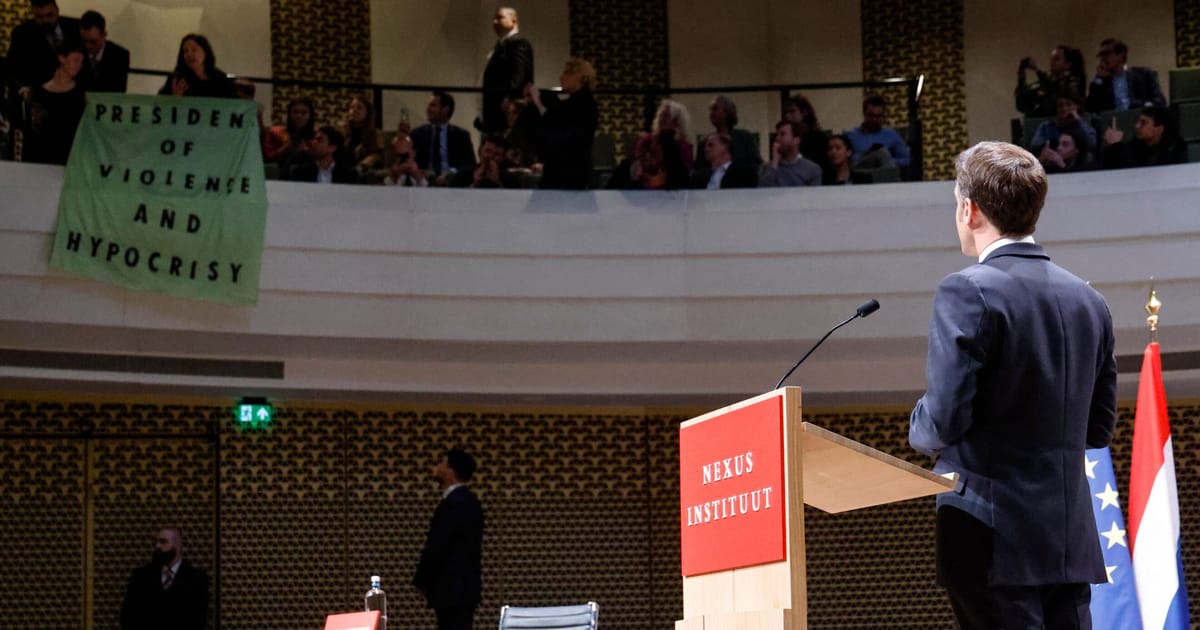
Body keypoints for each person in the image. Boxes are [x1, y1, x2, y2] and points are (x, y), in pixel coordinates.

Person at [909, 141, 1117, 629]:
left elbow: (942, 419)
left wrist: (916, 427)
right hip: (1067, 542)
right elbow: (1098, 429)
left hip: (990, 535)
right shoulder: (1090, 301)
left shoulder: (967, 290)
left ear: (970, 208)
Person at [414, 448, 485, 630]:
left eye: (442, 463)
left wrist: (422, 579)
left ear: (450, 472)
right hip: (464, 590)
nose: (437, 467)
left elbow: (438, 546)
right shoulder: (470, 502)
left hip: (452, 590)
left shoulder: (454, 504)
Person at [525, 57, 599, 190]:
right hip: (567, 171)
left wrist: (538, 103)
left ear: (579, 77)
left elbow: (555, 124)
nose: (561, 77)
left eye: (567, 73)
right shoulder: (580, 103)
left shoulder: (582, 104)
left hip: (569, 174)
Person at [119, 527, 210, 630]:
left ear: (178, 546)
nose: (157, 546)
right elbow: (128, 615)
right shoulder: (141, 576)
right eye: (156, 542)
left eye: (163, 542)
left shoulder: (196, 579)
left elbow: (198, 620)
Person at [5, 0, 82, 102]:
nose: (45, 20)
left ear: (57, 10)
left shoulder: (77, 27)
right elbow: (13, 69)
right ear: (33, 13)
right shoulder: (22, 33)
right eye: (39, 17)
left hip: (77, 93)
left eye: (49, 15)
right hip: (41, 96)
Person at [24, 43, 85, 165]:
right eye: (76, 60)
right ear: (62, 59)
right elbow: (32, 130)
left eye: (81, 62)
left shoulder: (81, 94)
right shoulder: (38, 93)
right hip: (39, 159)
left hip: (69, 159)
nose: (79, 65)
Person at [478, 7, 534, 133]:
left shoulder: (519, 43)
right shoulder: (500, 46)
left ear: (513, 21)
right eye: (494, 19)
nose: (495, 22)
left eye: (500, 17)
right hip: (495, 111)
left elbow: (520, 74)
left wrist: (511, 97)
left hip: (507, 111)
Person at [412, 91, 476, 185]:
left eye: (433, 105)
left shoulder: (461, 135)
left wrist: (451, 173)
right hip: (423, 182)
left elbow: (470, 164)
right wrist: (423, 172)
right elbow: (410, 161)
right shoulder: (417, 134)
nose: (428, 109)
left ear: (445, 109)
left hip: (452, 182)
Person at [1085, 38, 1166, 112]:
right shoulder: (1102, 81)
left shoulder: (1143, 74)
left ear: (1121, 55)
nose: (1103, 58)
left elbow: (1160, 101)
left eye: (1107, 53)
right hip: (1113, 123)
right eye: (1101, 55)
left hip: (1139, 119)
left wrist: (1144, 106)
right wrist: (1099, 79)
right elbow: (1090, 108)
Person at [1100, 105, 1186, 169]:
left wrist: (1117, 146)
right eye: (1138, 121)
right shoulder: (1135, 145)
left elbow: (1142, 174)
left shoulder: (1174, 148)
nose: (1137, 126)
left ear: (1159, 129)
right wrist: (1112, 147)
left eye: (1143, 123)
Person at [1015, 45, 1086, 117]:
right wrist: (1021, 77)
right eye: (1051, 59)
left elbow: (1053, 104)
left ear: (1067, 64)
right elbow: (1021, 104)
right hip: (1035, 124)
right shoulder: (1043, 84)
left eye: (1056, 59)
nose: (1052, 62)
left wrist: (1037, 71)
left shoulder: (1071, 85)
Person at [157, 34, 236, 99]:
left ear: (205, 52)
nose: (189, 54)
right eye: (185, 51)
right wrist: (174, 98)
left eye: (194, 50)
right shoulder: (178, 78)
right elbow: (159, 104)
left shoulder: (220, 78)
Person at [694, 95, 761, 170]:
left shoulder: (745, 138)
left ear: (726, 112)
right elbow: (699, 170)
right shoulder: (704, 142)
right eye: (710, 110)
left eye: (715, 109)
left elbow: (755, 165)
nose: (711, 113)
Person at [606, 130, 688, 190]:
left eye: (652, 152)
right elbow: (608, 195)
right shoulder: (625, 169)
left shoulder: (673, 170)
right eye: (644, 149)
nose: (648, 156)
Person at [844, 95, 910, 169]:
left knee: (882, 153)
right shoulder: (851, 136)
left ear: (884, 116)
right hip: (859, 174)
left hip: (885, 175)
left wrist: (886, 160)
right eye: (871, 115)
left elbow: (907, 160)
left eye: (878, 116)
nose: (874, 119)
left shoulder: (892, 135)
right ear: (864, 113)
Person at [76, 10, 128, 94]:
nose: (87, 46)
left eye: (93, 42)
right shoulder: (75, 54)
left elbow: (118, 92)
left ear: (104, 35)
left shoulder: (120, 56)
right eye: (84, 41)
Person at [263, 96, 317, 176]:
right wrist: (288, 147)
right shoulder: (275, 133)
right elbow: (267, 159)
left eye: (304, 113)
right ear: (289, 114)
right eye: (295, 112)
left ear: (310, 115)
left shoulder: (318, 136)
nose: (299, 116)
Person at [759, 120, 822, 187]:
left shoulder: (812, 169)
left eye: (782, 134)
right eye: (777, 135)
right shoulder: (766, 168)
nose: (777, 138)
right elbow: (763, 193)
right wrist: (774, 163)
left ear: (796, 140)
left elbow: (814, 196)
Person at [782, 93, 831, 177]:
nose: (787, 116)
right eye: (786, 112)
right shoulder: (784, 138)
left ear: (804, 112)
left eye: (792, 111)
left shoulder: (818, 137)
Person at [290, 126, 359, 184]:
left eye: (319, 140)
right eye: (314, 139)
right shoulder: (300, 173)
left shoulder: (349, 175)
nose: (313, 142)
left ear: (332, 147)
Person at [689, 133, 758, 190]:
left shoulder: (743, 172)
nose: (706, 149)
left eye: (711, 145)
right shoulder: (699, 176)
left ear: (725, 147)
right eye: (705, 146)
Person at [341, 94, 385, 173]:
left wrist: (362, 165)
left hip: (363, 173)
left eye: (359, 107)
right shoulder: (342, 131)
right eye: (352, 107)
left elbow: (378, 156)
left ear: (368, 113)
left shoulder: (375, 133)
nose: (354, 110)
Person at [652, 98, 695, 174]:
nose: (661, 119)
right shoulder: (652, 140)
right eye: (660, 115)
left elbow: (686, 171)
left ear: (676, 122)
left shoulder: (684, 146)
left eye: (666, 116)